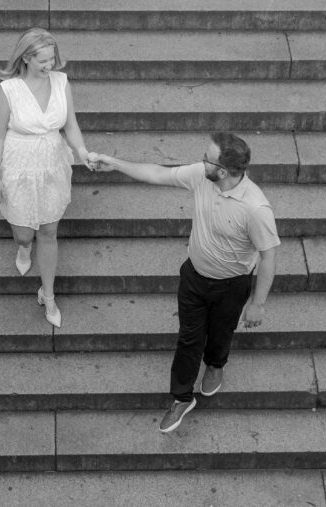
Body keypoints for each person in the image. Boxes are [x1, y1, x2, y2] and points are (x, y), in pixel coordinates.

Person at [93, 133, 279, 432]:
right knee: (188, 338)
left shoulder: (255, 208)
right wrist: (114, 163)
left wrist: (257, 304)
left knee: (220, 333)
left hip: (231, 285)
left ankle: (216, 365)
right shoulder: (201, 175)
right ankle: (182, 398)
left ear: (222, 170)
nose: (201, 160)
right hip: (194, 277)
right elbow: (157, 173)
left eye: (208, 158)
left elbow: (268, 257)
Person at [0, 28, 94, 328]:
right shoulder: (7, 90)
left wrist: (82, 152)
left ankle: (48, 293)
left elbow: (70, 125)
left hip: (52, 163)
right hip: (17, 164)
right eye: (42, 60)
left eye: (52, 58)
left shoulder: (61, 81)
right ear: (26, 58)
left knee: (48, 231)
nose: (50, 65)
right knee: (24, 233)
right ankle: (23, 246)